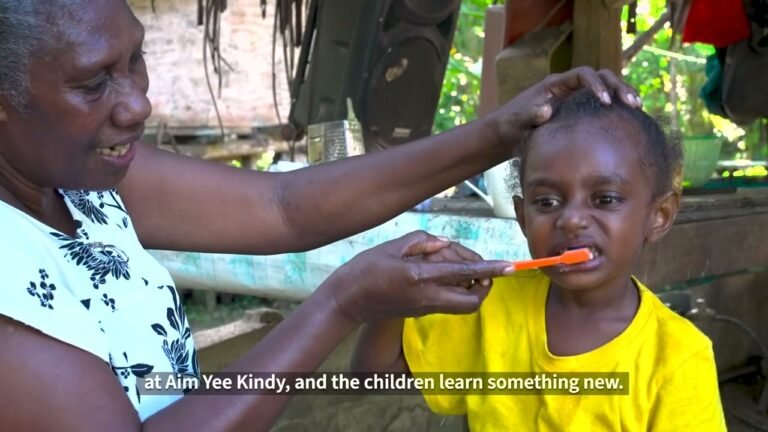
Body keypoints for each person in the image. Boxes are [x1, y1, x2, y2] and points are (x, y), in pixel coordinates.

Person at [0, 0, 640, 430]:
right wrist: (343, 303)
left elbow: (283, 207)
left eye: (135, 60)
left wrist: (499, 132)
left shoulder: (81, 174)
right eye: (93, 83)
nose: (138, 103)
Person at [352, 89, 728, 431]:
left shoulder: (678, 358)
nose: (571, 220)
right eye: (547, 202)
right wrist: (398, 297)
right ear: (523, 217)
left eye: (605, 199)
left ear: (658, 216)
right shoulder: (488, 305)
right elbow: (372, 377)